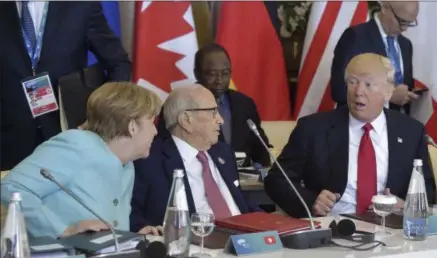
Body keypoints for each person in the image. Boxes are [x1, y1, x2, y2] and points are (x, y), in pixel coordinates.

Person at [265, 53, 436, 218]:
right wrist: (311, 202)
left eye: (368, 84)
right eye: (353, 82)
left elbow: (427, 191)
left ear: (388, 92)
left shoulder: (411, 131)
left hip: (391, 228)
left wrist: (405, 206)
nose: (358, 91)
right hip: (333, 227)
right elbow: (277, 180)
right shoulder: (313, 128)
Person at [1, 82, 162, 239]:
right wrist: (62, 230)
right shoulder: (77, 144)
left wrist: (131, 239)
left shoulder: (127, 165)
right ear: (132, 126)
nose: (155, 131)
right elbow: (12, 188)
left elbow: (107, 228)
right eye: (152, 122)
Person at [0, 1, 131, 171]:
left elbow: (119, 64)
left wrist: (102, 115)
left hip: (68, 135)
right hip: (9, 142)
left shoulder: (80, 7)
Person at [130, 84, 261, 231]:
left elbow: (241, 202)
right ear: (186, 119)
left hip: (243, 240)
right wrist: (144, 228)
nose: (220, 120)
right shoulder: (149, 160)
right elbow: (131, 214)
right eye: (213, 112)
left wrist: (267, 222)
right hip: (196, 245)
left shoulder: (223, 153)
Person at [157, 44, 272, 167]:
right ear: (196, 73)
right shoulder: (178, 104)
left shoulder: (244, 103)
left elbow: (260, 148)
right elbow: (164, 148)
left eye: (225, 73)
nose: (219, 80)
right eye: (212, 74)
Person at [330, 1, 420, 114]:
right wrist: (387, 96)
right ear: (385, 8)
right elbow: (339, 90)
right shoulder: (355, 37)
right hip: (361, 127)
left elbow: (402, 88)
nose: (404, 28)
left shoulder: (406, 45)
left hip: (397, 127)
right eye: (401, 21)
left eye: (409, 23)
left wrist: (410, 94)